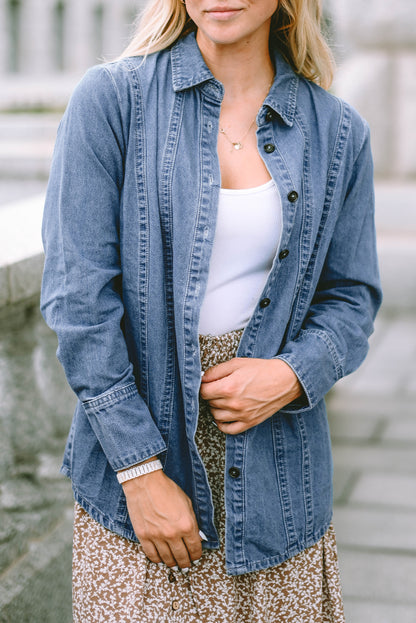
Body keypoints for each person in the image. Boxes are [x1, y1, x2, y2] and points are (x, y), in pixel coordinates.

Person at [41, 0, 382, 620]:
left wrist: (291, 374)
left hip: (281, 478)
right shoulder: (112, 102)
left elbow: (352, 296)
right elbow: (78, 298)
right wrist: (140, 472)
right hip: (137, 470)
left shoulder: (339, 132)